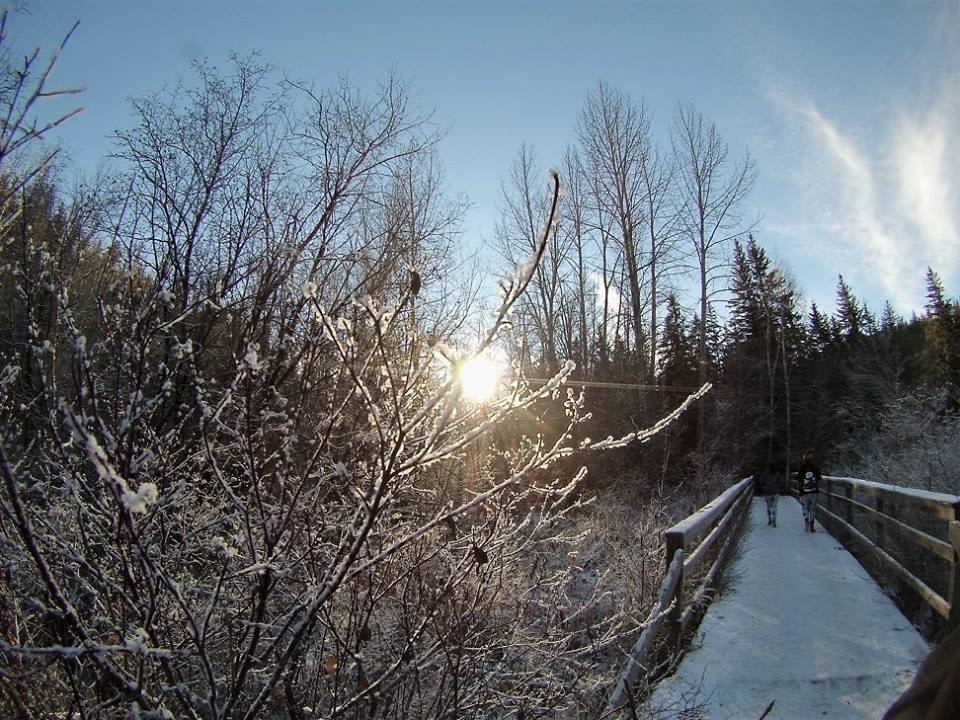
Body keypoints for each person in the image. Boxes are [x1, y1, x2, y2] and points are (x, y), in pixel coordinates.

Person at [795, 450, 822, 532]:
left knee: (805, 507)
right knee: (813, 509)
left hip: (804, 492)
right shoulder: (815, 468)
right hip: (814, 491)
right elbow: (819, 478)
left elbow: (798, 479)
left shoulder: (801, 468)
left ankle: (806, 521)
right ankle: (812, 526)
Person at [756, 462, 779, 527]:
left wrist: (763, 487)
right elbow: (781, 481)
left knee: (768, 507)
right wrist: (778, 487)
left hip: (767, 492)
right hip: (775, 492)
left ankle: (769, 520)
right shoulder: (777, 473)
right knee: (774, 506)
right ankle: (774, 520)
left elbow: (761, 482)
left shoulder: (764, 474)